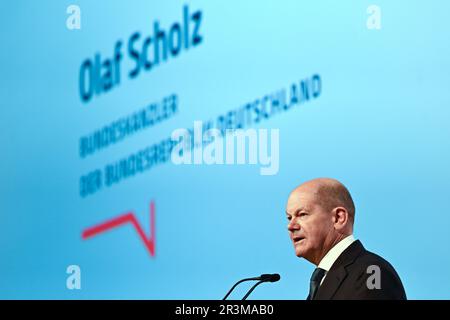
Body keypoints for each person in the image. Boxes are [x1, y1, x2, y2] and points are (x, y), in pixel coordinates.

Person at [285, 178, 406, 300]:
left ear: (338, 218)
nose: (291, 226)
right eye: (289, 218)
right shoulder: (323, 280)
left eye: (302, 214)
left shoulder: (372, 271)